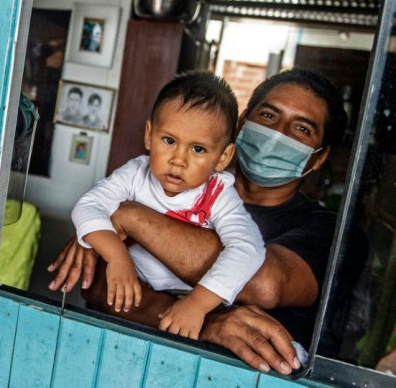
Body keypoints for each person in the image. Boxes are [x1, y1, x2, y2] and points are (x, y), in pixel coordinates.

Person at [48, 67, 347, 375]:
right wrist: (104, 235)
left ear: (319, 157)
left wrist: (126, 216)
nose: (277, 135)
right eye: (269, 117)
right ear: (243, 125)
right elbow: (96, 284)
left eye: (302, 129)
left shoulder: (327, 230)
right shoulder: (151, 181)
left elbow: (264, 284)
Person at [72, 72, 265, 339]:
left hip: (191, 304)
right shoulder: (135, 174)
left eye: (198, 149)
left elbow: (248, 249)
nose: (178, 160)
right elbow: (88, 205)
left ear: (223, 157)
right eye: (169, 141)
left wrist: (198, 304)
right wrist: (117, 256)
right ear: (150, 135)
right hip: (128, 289)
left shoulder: (219, 195)